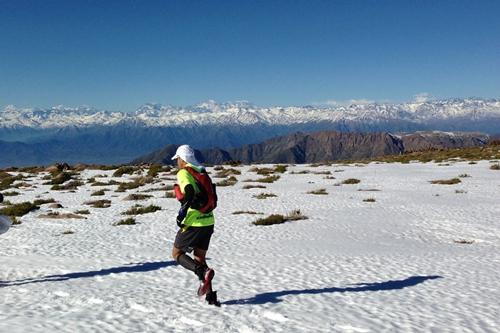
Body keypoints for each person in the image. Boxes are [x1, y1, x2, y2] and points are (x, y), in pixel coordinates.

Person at [170, 144, 219, 305]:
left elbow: (189, 192)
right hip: (208, 221)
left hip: (194, 222)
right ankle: (211, 297)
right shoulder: (201, 171)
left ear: (182, 159)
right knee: (199, 258)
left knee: (177, 253)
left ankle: (202, 272)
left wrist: (182, 213)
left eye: (177, 159)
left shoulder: (183, 172)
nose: (177, 162)